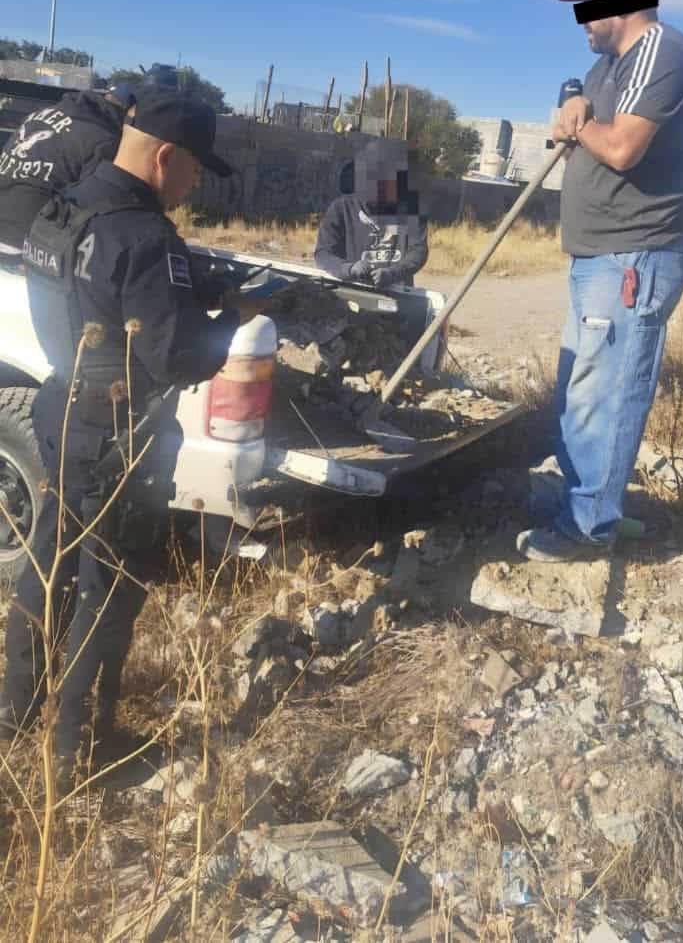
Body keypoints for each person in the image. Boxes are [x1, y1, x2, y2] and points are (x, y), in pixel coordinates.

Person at [0, 90, 260, 773]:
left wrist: (190, 289)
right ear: (165, 157)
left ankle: (16, 708)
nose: (196, 183)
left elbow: (103, 294)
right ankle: (79, 749)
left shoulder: (65, 202)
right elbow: (175, 356)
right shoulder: (147, 237)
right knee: (108, 585)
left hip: (60, 406)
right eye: (196, 169)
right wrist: (229, 318)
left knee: (48, 564)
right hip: (119, 433)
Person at [517, 0, 683, 562]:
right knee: (580, 385)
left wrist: (575, 128)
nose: (584, 22)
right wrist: (572, 95)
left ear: (619, 3)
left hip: (635, 256)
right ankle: (583, 499)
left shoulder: (663, 53)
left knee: (611, 390)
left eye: (589, 9)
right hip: (600, 255)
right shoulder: (611, 66)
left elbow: (621, 148)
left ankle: (589, 526)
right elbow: (583, 103)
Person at [0, 83, 137, 252]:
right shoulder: (104, 140)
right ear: (128, 112)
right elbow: (98, 210)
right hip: (25, 242)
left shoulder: (40, 114)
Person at [314, 138, 428, 288]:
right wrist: (349, 269)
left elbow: (418, 250)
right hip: (352, 291)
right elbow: (323, 253)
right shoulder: (340, 208)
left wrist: (392, 273)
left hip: (397, 291)